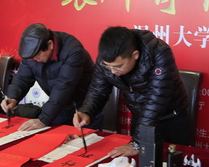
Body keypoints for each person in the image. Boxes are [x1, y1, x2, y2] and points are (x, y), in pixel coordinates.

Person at [73, 26, 190, 158]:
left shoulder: (159, 53)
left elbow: (156, 100)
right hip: (140, 117)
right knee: (138, 162)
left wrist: (137, 143)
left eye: (118, 67)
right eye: (108, 66)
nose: (112, 71)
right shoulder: (107, 58)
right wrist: (87, 111)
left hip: (170, 118)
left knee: (171, 162)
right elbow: (98, 89)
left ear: (135, 55)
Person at [1, 23, 97, 132]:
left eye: (37, 56)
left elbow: (64, 87)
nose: (35, 59)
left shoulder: (73, 51)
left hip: (85, 106)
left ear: (50, 44)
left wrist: (43, 120)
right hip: (61, 105)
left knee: (89, 139)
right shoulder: (32, 55)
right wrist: (13, 97)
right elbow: (23, 78)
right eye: (32, 58)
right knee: (54, 136)